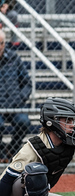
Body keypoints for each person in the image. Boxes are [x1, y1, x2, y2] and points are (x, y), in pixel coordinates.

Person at [0, 29, 31, 163]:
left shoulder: (14, 57)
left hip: (15, 105)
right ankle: (1, 152)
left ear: (5, 43)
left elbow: (27, 83)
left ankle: (12, 149)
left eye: (1, 43)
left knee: (24, 122)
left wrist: (20, 98)